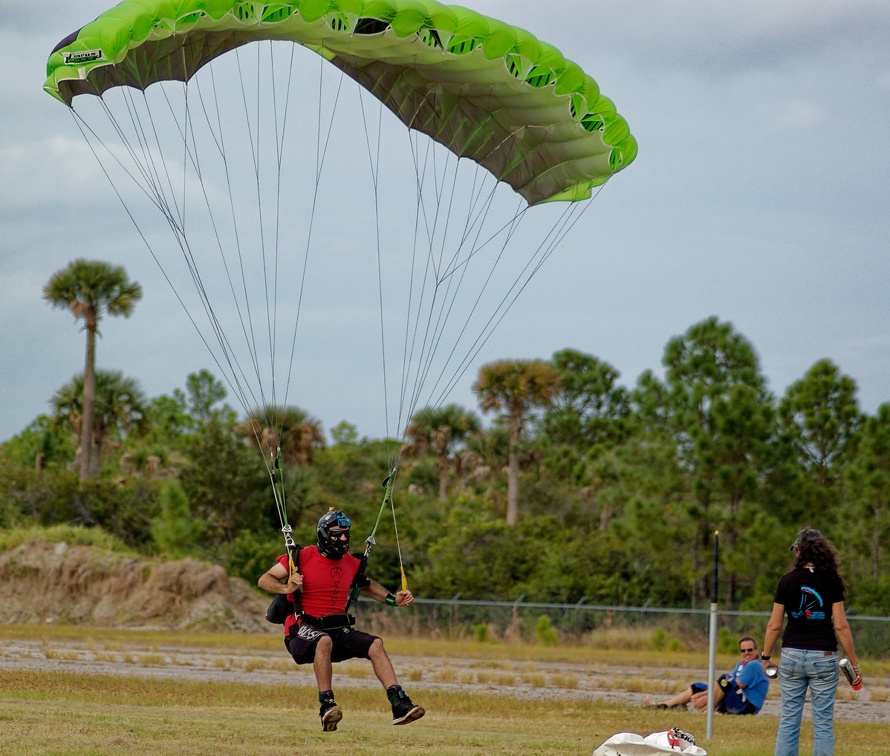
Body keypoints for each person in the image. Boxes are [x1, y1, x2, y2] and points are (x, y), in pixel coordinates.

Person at [258, 508, 425, 732]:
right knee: (323, 640)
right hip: (302, 630)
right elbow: (264, 579)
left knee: (375, 644)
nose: (343, 538)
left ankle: (399, 703)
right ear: (325, 534)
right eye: (338, 534)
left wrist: (393, 600)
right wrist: (287, 586)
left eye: (346, 534)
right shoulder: (301, 556)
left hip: (337, 628)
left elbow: (365, 584)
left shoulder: (351, 562)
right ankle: (326, 705)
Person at [762, 528, 862, 756]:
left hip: (791, 655)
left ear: (798, 551)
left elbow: (774, 625)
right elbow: (841, 626)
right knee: (823, 722)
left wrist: (766, 657)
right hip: (824, 655)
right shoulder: (831, 581)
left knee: (789, 719)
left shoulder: (786, 581)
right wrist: (854, 664)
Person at [645, 636, 770, 715]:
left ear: (756, 651)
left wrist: (706, 697)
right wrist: (703, 693)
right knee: (698, 686)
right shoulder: (741, 664)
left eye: (750, 650)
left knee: (724, 679)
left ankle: (707, 708)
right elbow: (725, 686)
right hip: (734, 701)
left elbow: (736, 684)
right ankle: (666, 705)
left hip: (747, 708)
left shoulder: (754, 665)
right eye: (743, 650)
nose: (746, 653)